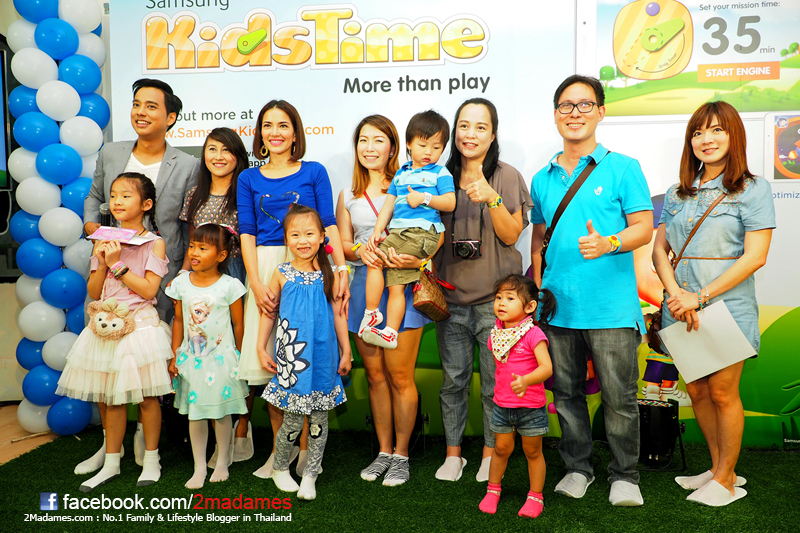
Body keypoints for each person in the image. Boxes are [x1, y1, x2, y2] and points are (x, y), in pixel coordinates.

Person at [529, 75, 653, 506]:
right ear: (555, 114)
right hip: (557, 309)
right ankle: (577, 468)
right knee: (566, 396)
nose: (575, 113)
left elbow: (644, 227)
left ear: (601, 111)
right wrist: (539, 285)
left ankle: (625, 475)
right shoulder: (542, 178)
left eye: (584, 105)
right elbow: (540, 236)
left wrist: (609, 243)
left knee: (620, 399)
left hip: (611, 309)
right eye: (566, 105)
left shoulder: (623, 168)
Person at [652, 101, 774, 506]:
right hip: (680, 307)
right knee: (698, 391)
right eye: (698, 132)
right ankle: (721, 468)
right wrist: (676, 294)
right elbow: (659, 251)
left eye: (717, 130)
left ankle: (725, 481)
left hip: (726, 306)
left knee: (722, 392)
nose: (706, 139)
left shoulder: (753, 189)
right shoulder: (677, 192)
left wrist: (699, 297)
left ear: (733, 135)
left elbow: (755, 257)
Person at [82, 79, 200, 467]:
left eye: (151, 106)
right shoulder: (112, 152)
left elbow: (188, 222)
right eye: (136, 104)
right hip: (109, 271)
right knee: (105, 364)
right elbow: (95, 198)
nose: (141, 112)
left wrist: (184, 274)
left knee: (147, 364)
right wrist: (94, 229)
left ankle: (145, 441)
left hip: (158, 275)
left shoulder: (188, 164)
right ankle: (109, 446)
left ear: (170, 117)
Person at [237, 100, 349, 479]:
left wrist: (340, 268)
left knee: (308, 358)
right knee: (273, 364)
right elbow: (247, 232)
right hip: (265, 268)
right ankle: (278, 454)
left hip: (311, 264)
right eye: (268, 125)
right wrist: (255, 280)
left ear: (295, 132)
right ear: (259, 133)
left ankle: (305, 453)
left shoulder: (314, 171)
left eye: (283, 125)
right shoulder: (248, 178)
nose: (276, 132)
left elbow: (328, 224)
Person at [433, 98, 533, 483]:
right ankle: (453, 454)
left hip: (498, 306)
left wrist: (492, 198)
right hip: (450, 301)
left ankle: (491, 453)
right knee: (453, 382)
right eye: (464, 125)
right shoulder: (438, 176)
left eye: (480, 127)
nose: (470, 134)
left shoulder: (507, 176)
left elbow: (511, 234)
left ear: (493, 135)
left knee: (495, 386)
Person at [337, 115, 438, 486]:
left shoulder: (412, 183)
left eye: (378, 140)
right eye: (363, 140)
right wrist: (358, 250)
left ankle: (401, 455)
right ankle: (382, 451)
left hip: (402, 288)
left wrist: (418, 259)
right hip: (365, 290)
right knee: (376, 376)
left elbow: (433, 234)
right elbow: (342, 244)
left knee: (399, 376)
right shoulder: (347, 194)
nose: (370, 147)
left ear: (393, 147)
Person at [57, 172, 172, 492]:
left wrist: (118, 264)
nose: (117, 202)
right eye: (113, 195)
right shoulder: (104, 239)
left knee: (147, 398)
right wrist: (103, 261)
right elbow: (94, 291)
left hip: (139, 327)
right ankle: (111, 460)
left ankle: (152, 459)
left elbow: (149, 290)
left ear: (146, 204)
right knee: (109, 397)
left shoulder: (154, 242)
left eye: (126, 195)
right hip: (105, 326)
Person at [256, 204, 351, 501]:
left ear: (322, 237)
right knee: (293, 420)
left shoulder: (330, 273)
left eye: (310, 233)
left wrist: (346, 351)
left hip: (323, 358)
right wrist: (260, 347)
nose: (303, 240)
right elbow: (269, 313)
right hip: (292, 360)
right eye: (295, 234)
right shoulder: (280, 273)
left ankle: (310, 473)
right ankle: (280, 468)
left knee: (319, 420)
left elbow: (339, 315)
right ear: (286, 239)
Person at [178, 127, 254, 461]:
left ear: (238, 156)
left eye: (226, 150)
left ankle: (242, 426)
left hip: (238, 275)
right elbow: (191, 241)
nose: (218, 156)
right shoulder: (195, 193)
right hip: (201, 281)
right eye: (212, 149)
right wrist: (184, 275)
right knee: (207, 353)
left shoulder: (247, 189)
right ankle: (214, 427)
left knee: (240, 351)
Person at [360, 110, 455, 349]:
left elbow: (450, 203)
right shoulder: (401, 173)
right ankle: (390, 331)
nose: (429, 152)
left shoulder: (440, 173)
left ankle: (372, 313)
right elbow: (388, 205)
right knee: (395, 285)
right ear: (409, 144)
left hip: (422, 233)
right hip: (399, 234)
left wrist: (424, 198)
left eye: (436, 147)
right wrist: (377, 231)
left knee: (376, 259)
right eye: (423, 145)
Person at [166, 224, 249, 489]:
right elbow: (179, 321)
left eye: (203, 248)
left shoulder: (231, 286)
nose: (194, 252)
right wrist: (175, 355)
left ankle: (222, 460)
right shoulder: (180, 283)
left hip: (222, 361)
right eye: (192, 246)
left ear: (221, 255)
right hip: (192, 361)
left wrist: (241, 356)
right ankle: (199, 467)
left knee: (221, 414)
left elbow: (239, 325)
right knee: (196, 414)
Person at [479, 274, 555, 518]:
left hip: (531, 407)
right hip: (502, 406)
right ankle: (493, 490)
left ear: (530, 307)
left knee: (533, 452)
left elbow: (547, 368)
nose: (501, 302)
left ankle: (535, 496)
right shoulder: (496, 335)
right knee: (500, 449)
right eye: (498, 297)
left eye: (510, 298)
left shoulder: (533, 334)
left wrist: (526, 381)